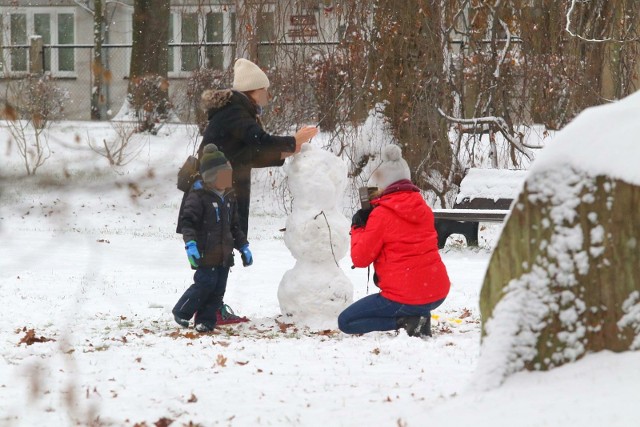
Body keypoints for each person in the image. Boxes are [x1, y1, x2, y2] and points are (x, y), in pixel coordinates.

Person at [190, 58, 317, 323]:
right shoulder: (236, 113)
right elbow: (258, 141)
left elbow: (247, 152)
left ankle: (211, 306)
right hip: (215, 195)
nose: (269, 96)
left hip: (224, 190)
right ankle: (207, 308)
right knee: (218, 251)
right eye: (266, 90)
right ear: (255, 90)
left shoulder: (237, 112)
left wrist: (284, 151)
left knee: (221, 250)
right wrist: (295, 140)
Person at [338, 145, 450, 338]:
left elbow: (360, 259)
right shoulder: (423, 208)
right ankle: (419, 315)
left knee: (346, 321)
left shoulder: (381, 215)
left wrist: (358, 228)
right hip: (437, 292)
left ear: (381, 186)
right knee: (416, 296)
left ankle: (407, 320)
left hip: (404, 297)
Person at [172, 144, 253, 332]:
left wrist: (244, 247)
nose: (227, 179)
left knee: (218, 290)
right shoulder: (199, 196)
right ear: (211, 176)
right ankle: (182, 311)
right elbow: (188, 222)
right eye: (223, 175)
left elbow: (235, 227)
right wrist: (190, 244)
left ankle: (205, 322)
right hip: (205, 251)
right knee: (205, 284)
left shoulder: (229, 196)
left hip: (224, 254)